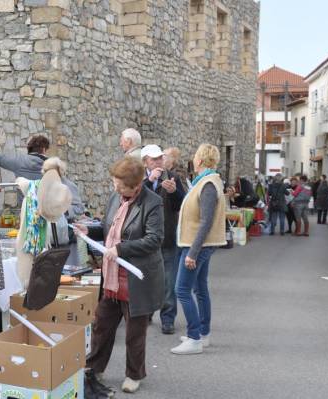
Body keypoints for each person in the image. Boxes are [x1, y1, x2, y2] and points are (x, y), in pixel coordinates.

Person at [74, 156, 164, 394]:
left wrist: (121, 249)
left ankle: (134, 374)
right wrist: (89, 229)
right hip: (112, 277)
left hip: (137, 279)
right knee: (101, 325)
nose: (115, 188)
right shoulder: (116, 196)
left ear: (136, 186)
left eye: (121, 185)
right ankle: (93, 368)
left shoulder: (153, 202)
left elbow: (154, 240)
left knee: (135, 333)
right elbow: (107, 227)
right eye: (115, 182)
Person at [171, 144, 226, 355]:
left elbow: (205, 222)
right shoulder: (205, 182)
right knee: (200, 289)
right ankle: (203, 334)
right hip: (198, 243)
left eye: (195, 157)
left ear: (200, 160)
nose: (193, 160)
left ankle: (194, 338)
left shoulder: (208, 185)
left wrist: (192, 253)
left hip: (197, 245)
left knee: (182, 290)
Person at [141, 145, 186, 335]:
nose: (159, 162)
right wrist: (148, 183)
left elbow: (183, 204)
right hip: (146, 238)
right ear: (145, 162)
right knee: (147, 279)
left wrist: (175, 191)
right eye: (154, 159)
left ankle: (168, 319)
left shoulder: (173, 177)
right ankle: (146, 313)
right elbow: (133, 201)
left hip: (167, 236)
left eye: (160, 158)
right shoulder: (140, 179)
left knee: (169, 281)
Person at [0, 134, 84, 217]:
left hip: (27, 217)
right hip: (49, 217)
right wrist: (63, 212)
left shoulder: (19, 162)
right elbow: (78, 206)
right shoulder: (52, 166)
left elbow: (0, 160)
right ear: (43, 149)